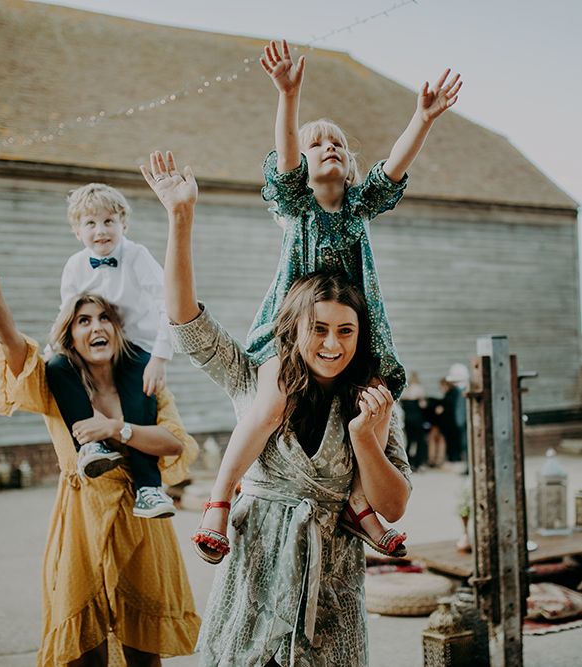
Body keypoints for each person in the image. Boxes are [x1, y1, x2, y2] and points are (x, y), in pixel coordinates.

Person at [192, 39, 461, 563]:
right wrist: (288, 95)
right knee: (272, 402)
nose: (330, 148)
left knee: (368, 410)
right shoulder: (297, 206)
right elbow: (288, 162)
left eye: (338, 143)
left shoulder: (360, 206)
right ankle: (220, 501)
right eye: (318, 145)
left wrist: (423, 118)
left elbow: (394, 169)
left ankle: (363, 507)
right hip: (294, 332)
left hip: (355, 336)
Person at [141, 150, 411, 666]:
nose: (332, 344)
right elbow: (186, 321)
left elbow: (394, 507)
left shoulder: (370, 401)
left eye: (346, 331)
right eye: (319, 329)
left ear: (362, 334)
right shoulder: (254, 380)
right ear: (294, 329)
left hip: (329, 616)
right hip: (249, 604)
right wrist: (180, 217)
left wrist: (364, 439)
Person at [0, 217, 200, 667]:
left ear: (119, 328)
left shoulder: (146, 382)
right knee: (85, 654)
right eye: (84, 320)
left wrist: (115, 429)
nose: (95, 326)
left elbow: (173, 443)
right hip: (80, 522)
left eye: (105, 317)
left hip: (143, 525)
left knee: (145, 655)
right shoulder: (56, 386)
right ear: (71, 333)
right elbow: (11, 344)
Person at [49, 182, 176, 519]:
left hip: (136, 347)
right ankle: (90, 444)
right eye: (90, 223)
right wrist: (58, 351)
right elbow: (68, 313)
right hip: (93, 344)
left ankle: (149, 488)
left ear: (124, 224)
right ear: (77, 231)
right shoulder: (75, 266)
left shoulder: (137, 256)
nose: (101, 230)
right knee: (57, 367)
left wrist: (160, 358)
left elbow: (169, 303)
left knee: (138, 396)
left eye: (109, 221)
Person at [401, 371, 428, 470]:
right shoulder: (419, 389)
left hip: (408, 419)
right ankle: (418, 463)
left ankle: (408, 463)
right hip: (417, 419)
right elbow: (423, 405)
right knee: (420, 441)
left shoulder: (405, 390)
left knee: (409, 441)